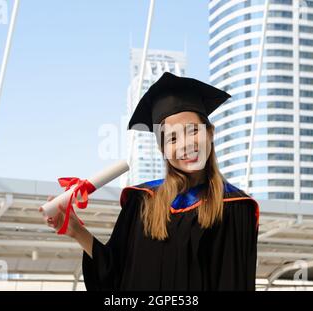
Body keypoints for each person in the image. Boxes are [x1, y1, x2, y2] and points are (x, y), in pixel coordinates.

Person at [42, 72, 259, 290]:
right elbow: (115, 273)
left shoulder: (235, 207)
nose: (184, 145)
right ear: (162, 149)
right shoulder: (141, 201)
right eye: (172, 138)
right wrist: (76, 231)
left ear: (210, 133)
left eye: (193, 131)